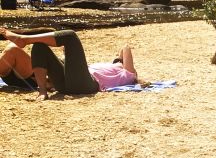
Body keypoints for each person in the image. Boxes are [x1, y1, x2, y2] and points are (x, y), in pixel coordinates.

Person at [0, 28, 139, 98]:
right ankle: (42, 91)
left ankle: (24, 39)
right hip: (66, 84)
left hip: (86, 85)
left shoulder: (128, 74)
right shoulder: (114, 70)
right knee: (39, 46)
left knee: (71, 36)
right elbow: (121, 53)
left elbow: (125, 48)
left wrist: (120, 63)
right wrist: (117, 61)